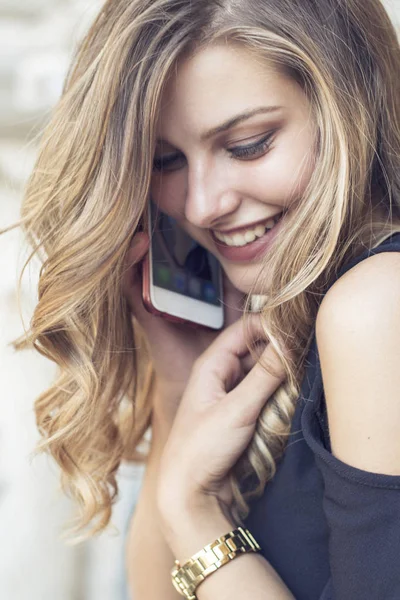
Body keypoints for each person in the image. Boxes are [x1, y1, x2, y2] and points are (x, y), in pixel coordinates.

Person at [3, 0, 400, 598]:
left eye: (248, 144)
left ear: (350, 105)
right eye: (165, 161)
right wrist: (177, 390)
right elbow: (153, 593)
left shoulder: (376, 304)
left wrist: (194, 512)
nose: (200, 205)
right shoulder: (279, 325)